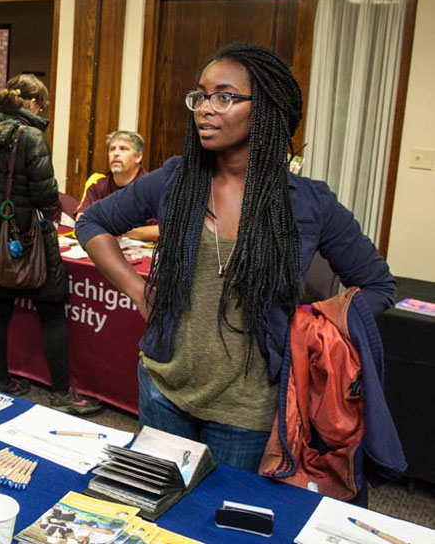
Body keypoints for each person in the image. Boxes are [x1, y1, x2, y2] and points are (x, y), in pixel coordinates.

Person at [76, 43, 395, 471]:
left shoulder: (308, 203)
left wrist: (317, 329)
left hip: (248, 412)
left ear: (265, 107)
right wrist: (136, 290)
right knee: (154, 517)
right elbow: (92, 223)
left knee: (216, 526)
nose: (205, 109)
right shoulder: (175, 180)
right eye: (201, 96)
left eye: (224, 97)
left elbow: (377, 284)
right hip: (163, 389)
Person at [0, 74, 102, 415]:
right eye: (41, 103)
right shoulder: (30, 135)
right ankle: (61, 392)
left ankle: (1, 380)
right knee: (52, 308)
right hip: (27, 232)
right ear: (32, 103)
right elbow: (46, 194)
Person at [75, 131, 158, 242]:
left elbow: (164, 231)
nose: (116, 154)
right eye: (112, 149)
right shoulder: (98, 183)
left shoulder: (152, 186)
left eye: (123, 149)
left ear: (138, 157)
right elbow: (81, 219)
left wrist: (122, 231)